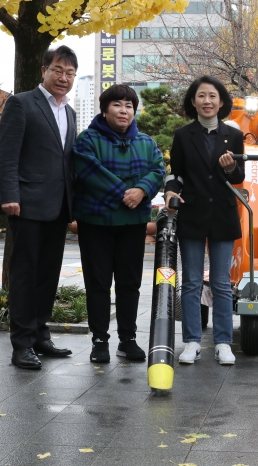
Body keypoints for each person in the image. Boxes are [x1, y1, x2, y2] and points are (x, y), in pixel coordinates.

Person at [0, 46, 78, 370]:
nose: (63, 77)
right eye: (58, 70)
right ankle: (21, 344)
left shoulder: (70, 112)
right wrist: (10, 195)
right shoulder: (21, 103)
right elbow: (8, 154)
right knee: (24, 275)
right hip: (27, 204)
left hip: (58, 207)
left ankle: (41, 335)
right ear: (44, 70)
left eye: (70, 73)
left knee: (48, 275)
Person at [72, 83, 165, 363]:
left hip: (133, 225)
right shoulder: (88, 139)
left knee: (129, 283)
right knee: (98, 283)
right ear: (105, 109)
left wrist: (142, 190)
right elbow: (89, 171)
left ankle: (128, 339)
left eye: (129, 106)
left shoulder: (146, 142)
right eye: (117, 105)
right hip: (96, 223)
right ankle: (99, 340)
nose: (124, 111)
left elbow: (158, 169)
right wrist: (126, 193)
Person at [164, 76, 244, 365]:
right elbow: (176, 173)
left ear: (221, 102)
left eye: (212, 96)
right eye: (201, 96)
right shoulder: (183, 135)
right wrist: (170, 191)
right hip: (192, 213)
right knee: (191, 282)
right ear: (193, 101)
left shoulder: (234, 135)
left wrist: (231, 167)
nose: (207, 101)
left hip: (223, 213)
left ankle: (223, 342)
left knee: (221, 282)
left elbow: (238, 176)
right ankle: (192, 341)